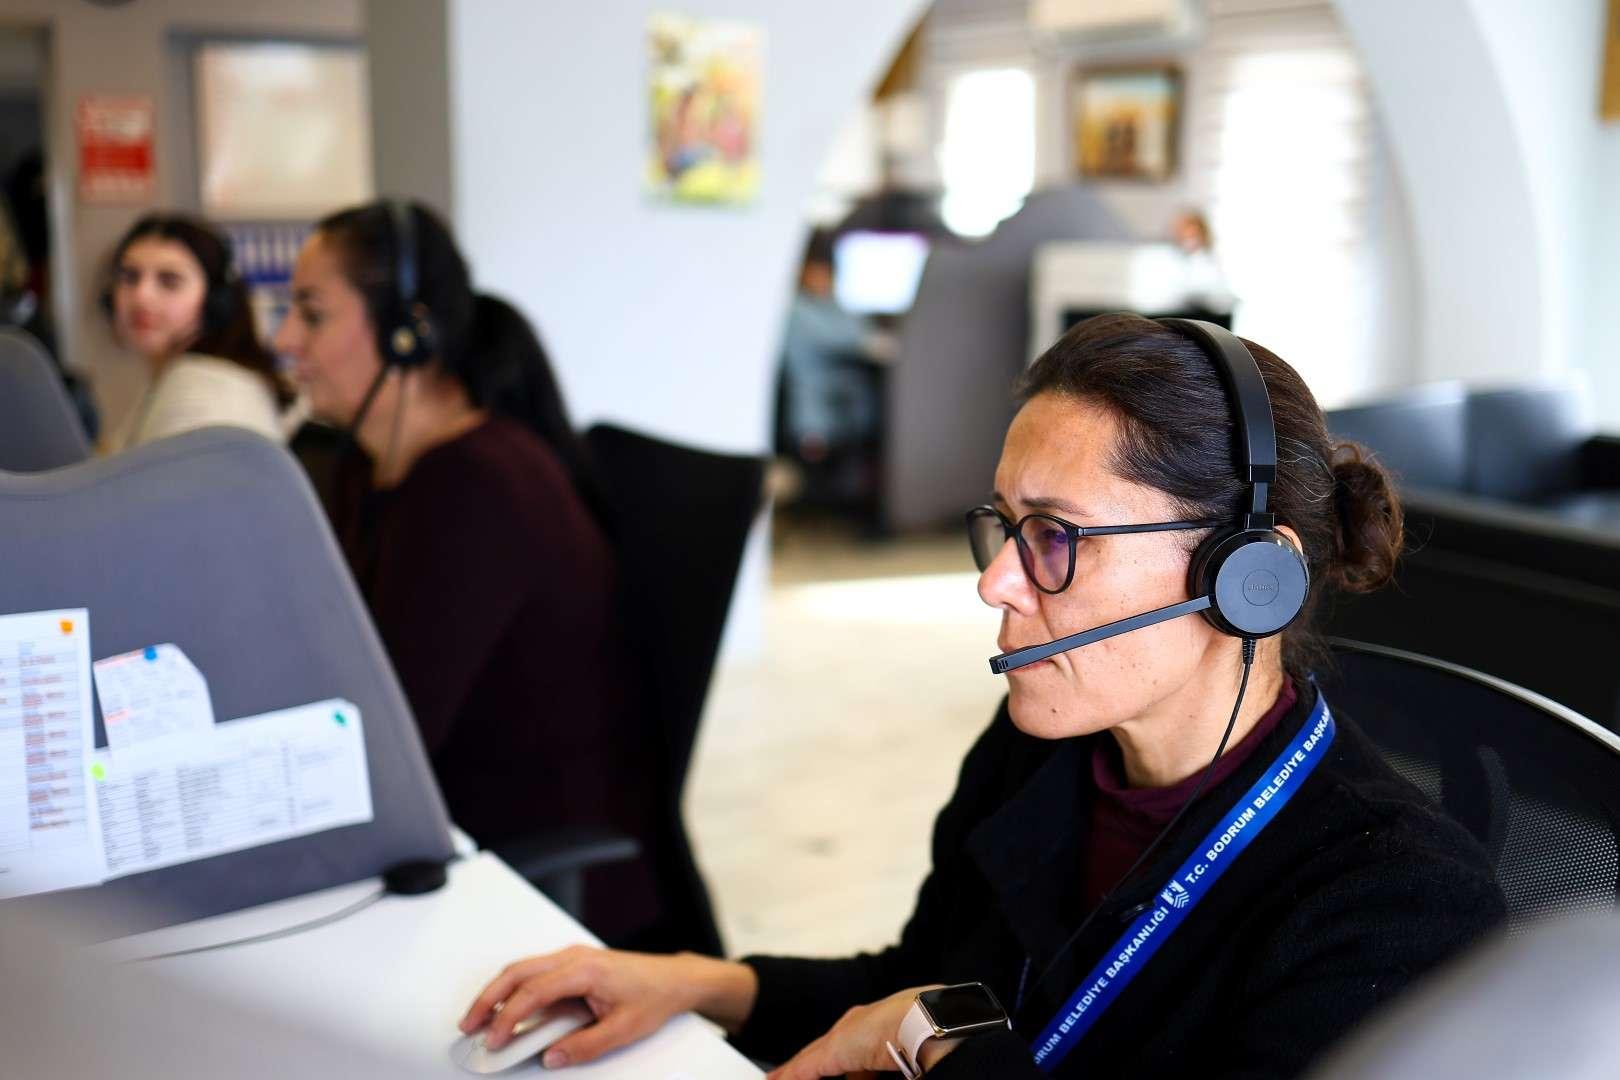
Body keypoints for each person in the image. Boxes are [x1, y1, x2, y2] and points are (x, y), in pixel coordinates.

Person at [457, 313, 1505, 1077]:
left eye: (1055, 536)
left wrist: (936, 1039)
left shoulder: (1397, 904)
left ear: (1250, 578)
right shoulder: (1038, 754)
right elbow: (924, 978)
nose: (996, 580)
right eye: (1004, 526)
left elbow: (929, 1019)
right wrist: (699, 983)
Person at [272, 200, 655, 939]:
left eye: (312, 314)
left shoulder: (476, 486)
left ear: (407, 333)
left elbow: (395, 736)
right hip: (441, 846)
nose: (286, 339)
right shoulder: (367, 467)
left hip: (521, 888)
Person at [103, 213, 292, 449]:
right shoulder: (180, 377)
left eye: (169, 281)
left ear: (214, 301)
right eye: (130, 277)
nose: (142, 296)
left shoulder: (204, 389)